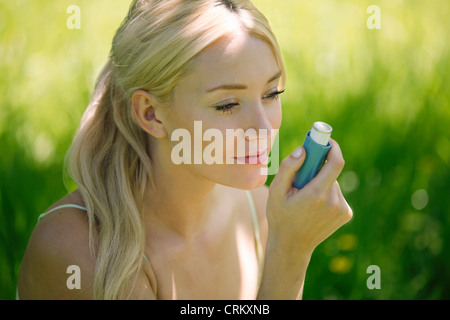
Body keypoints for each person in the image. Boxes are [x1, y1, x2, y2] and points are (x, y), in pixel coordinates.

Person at [17, 0, 352, 300]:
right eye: (227, 105)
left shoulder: (259, 210)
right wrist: (290, 255)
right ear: (150, 113)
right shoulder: (82, 251)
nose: (265, 130)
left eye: (271, 94)